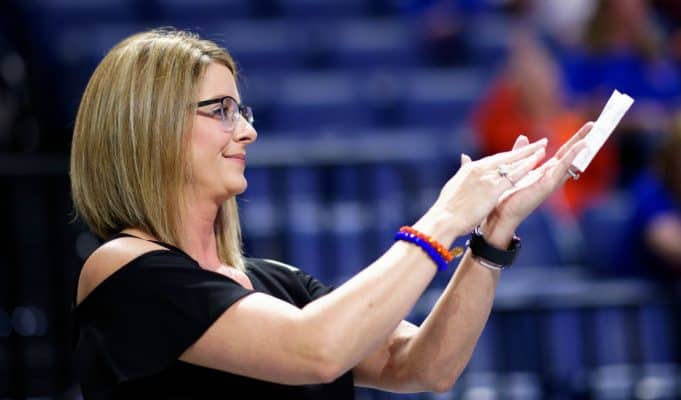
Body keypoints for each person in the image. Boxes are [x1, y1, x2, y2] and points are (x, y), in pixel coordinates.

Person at [69, 28, 591, 399]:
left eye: (242, 112)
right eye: (222, 111)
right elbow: (315, 350)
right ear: (151, 126)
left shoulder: (273, 284)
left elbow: (425, 366)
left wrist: (490, 237)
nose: (247, 131)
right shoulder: (122, 269)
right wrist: (444, 215)